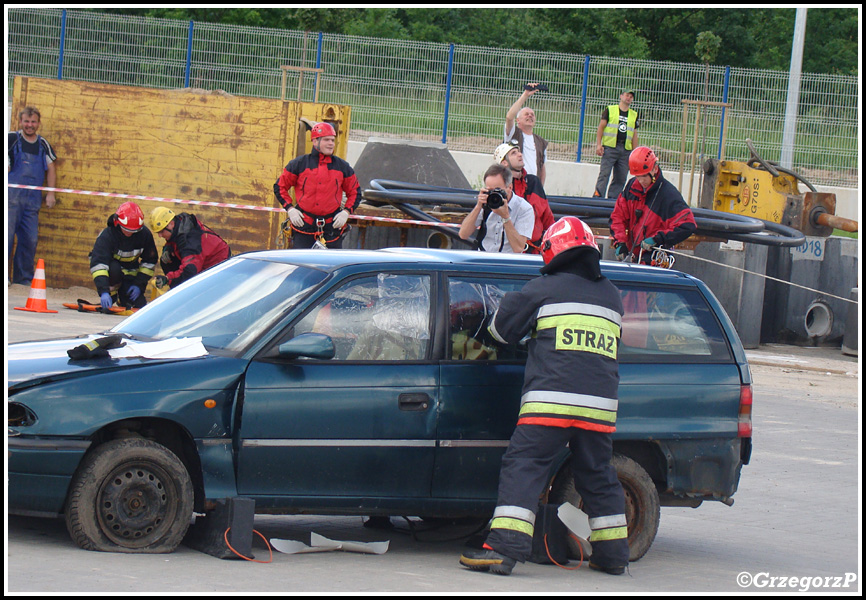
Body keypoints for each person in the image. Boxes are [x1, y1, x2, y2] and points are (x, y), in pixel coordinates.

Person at [459, 216, 630, 577]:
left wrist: (505, 306)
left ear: (554, 251)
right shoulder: (612, 294)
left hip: (550, 403)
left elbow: (501, 333)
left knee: (525, 465)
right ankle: (613, 555)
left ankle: (502, 550)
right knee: (597, 474)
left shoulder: (543, 289)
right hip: (600, 408)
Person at [274, 122, 360, 249]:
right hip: (304, 228)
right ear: (315, 141)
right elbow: (280, 186)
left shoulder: (342, 167)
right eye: (326, 140)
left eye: (332, 140)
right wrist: (290, 209)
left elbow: (355, 192)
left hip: (332, 229)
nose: (331, 143)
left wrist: (346, 212)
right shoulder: (299, 164)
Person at [609, 146, 697, 264]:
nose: (641, 181)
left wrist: (658, 239)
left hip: (654, 261)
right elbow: (618, 216)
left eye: (644, 176)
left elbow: (688, 224)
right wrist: (620, 242)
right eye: (638, 176)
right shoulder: (631, 188)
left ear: (655, 169)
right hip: (633, 258)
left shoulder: (668, 195)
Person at [8, 106, 57, 286]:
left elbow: (51, 168)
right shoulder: (11, 139)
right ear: (20, 122)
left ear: (38, 123)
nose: (29, 125)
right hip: (10, 199)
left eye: (33, 122)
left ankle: (23, 279)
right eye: (26, 121)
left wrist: (50, 193)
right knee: (6, 237)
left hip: (32, 201)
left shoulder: (43, 144)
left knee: (30, 239)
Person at [89, 202, 157, 310]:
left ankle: (123, 298)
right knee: (114, 268)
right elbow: (99, 264)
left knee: (139, 305)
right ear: (117, 223)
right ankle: (112, 294)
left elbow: (149, 262)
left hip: (130, 273)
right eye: (126, 229)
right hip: (111, 273)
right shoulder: (107, 235)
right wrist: (104, 291)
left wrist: (139, 285)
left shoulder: (144, 235)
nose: (129, 233)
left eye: (133, 231)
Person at [458, 164, 534, 254]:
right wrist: (478, 206)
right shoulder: (486, 203)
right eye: (490, 190)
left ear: (510, 187)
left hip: (508, 262)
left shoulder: (524, 209)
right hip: (483, 258)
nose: (493, 195)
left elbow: (518, 248)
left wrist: (506, 217)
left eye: (497, 190)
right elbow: (463, 234)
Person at [493, 141, 554, 254]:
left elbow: (547, 218)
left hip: (535, 250)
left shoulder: (534, 182)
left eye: (519, 152)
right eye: (513, 153)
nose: (520, 155)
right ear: (504, 163)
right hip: (511, 251)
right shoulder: (502, 189)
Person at [149, 207, 231, 290]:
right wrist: (168, 247)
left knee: (186, 276)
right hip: (202, 258)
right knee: (166, 261)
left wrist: (167, 279)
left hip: (216, 267)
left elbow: (189, 271)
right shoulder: (181, 223)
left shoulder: (190, 243)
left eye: (161, 231)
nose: (160, 235)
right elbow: (175, 240)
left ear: (171, 224)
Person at [594, 89, 640, 199]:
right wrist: (599, 144)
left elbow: (634, 134)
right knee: (604, 174)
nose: (628, 98)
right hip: (610, 148)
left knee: (621, 177)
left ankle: (613, 201)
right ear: (621, 96)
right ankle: (597, 198)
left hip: (625, 150)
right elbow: (601, 127)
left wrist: (634, 152)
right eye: (627, 95)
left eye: (631, 97)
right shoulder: (610, 110)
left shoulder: (634, 115)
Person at [504, 84, 548, 185]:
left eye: (532, 114)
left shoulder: (541, 142)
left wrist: (540, 189)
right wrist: (526, 95)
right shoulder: (513, 134)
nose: (530, 116)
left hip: (532, 188)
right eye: (526, 114)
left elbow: (542, 167)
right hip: (514, 184)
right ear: (518, 120)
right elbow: (509, 117)